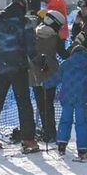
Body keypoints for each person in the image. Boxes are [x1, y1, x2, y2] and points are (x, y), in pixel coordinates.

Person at [0, 0, 39, 153]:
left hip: (0, 69)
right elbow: (31, 47)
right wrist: (39, 62)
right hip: (19, 69)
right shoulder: (24, 22)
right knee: (24, 104)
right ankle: (28, 140)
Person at [55, 41, 87, 160]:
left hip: (67, 97)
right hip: (82, 97)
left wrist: (45, 84)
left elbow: (56, 78)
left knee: (65, 120)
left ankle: (61, 144)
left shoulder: (65, 64)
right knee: (82, 123)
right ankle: (82, 150)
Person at [29, 10, 67, 143]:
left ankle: (47, 131)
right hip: (50, 72)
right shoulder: (56, 37)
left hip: (34, 73)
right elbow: (64, 54)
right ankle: (51, 132)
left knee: (40, 103)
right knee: (48, 104)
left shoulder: (34, 33)